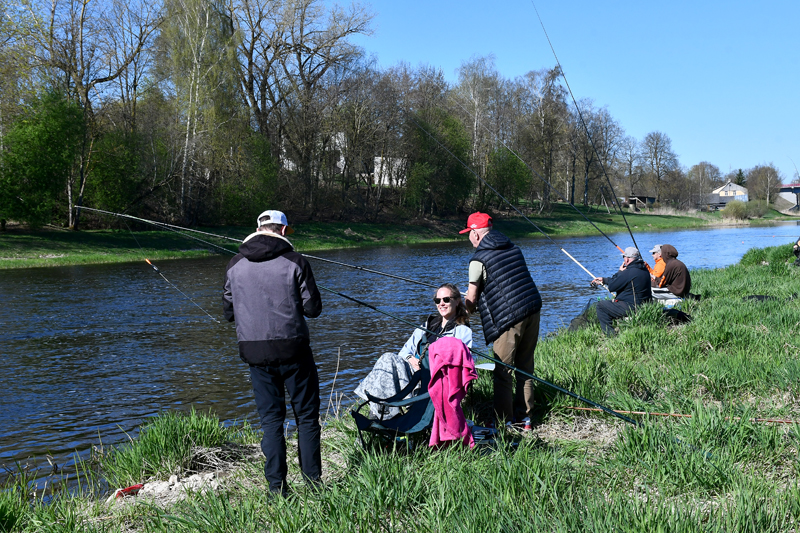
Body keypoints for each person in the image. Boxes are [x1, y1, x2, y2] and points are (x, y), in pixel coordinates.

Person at [223, 210, 322, 498]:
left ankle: (276, 490)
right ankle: (314, 487)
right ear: (281, 229)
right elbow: (313, 309)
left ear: (259, 228)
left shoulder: (234, 264)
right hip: (294, 351)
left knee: (271, 422)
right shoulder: (295, 262)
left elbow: (228, 312)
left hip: (255, 354)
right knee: (306, 417)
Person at [461, 212, 542, 428]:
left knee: (502, 370)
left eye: (468, 233)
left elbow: (471, 298)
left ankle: (502, 421)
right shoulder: (513, 247)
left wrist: (466, 309)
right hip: (532, 308)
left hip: (510, 318)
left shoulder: (478, 259)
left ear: (476, 233)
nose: (468, 238)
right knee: (525, 367)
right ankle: (525, 417)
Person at [354, 283, 472, 419]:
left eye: (446, 299)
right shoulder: (428, 325)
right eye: (437, 301)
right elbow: (403, 352)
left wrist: (429, 365)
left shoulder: (463, 331)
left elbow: (461, 364)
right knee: (387, 358)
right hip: (414, 375)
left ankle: (381, 416)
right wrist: (412, 360)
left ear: (457, 301)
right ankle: (383, 413)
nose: (441, 304)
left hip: (436, 381)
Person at [591, 247, 652, 336]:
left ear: (626, 259)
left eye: (623, 257)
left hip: (632, 307)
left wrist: (619, 271)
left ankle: (610, 335)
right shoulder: (644, 269)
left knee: (601, 306)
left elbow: (612, 287)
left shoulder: (628, 272)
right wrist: (604, 280)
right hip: (645, 305)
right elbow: (619, 281)